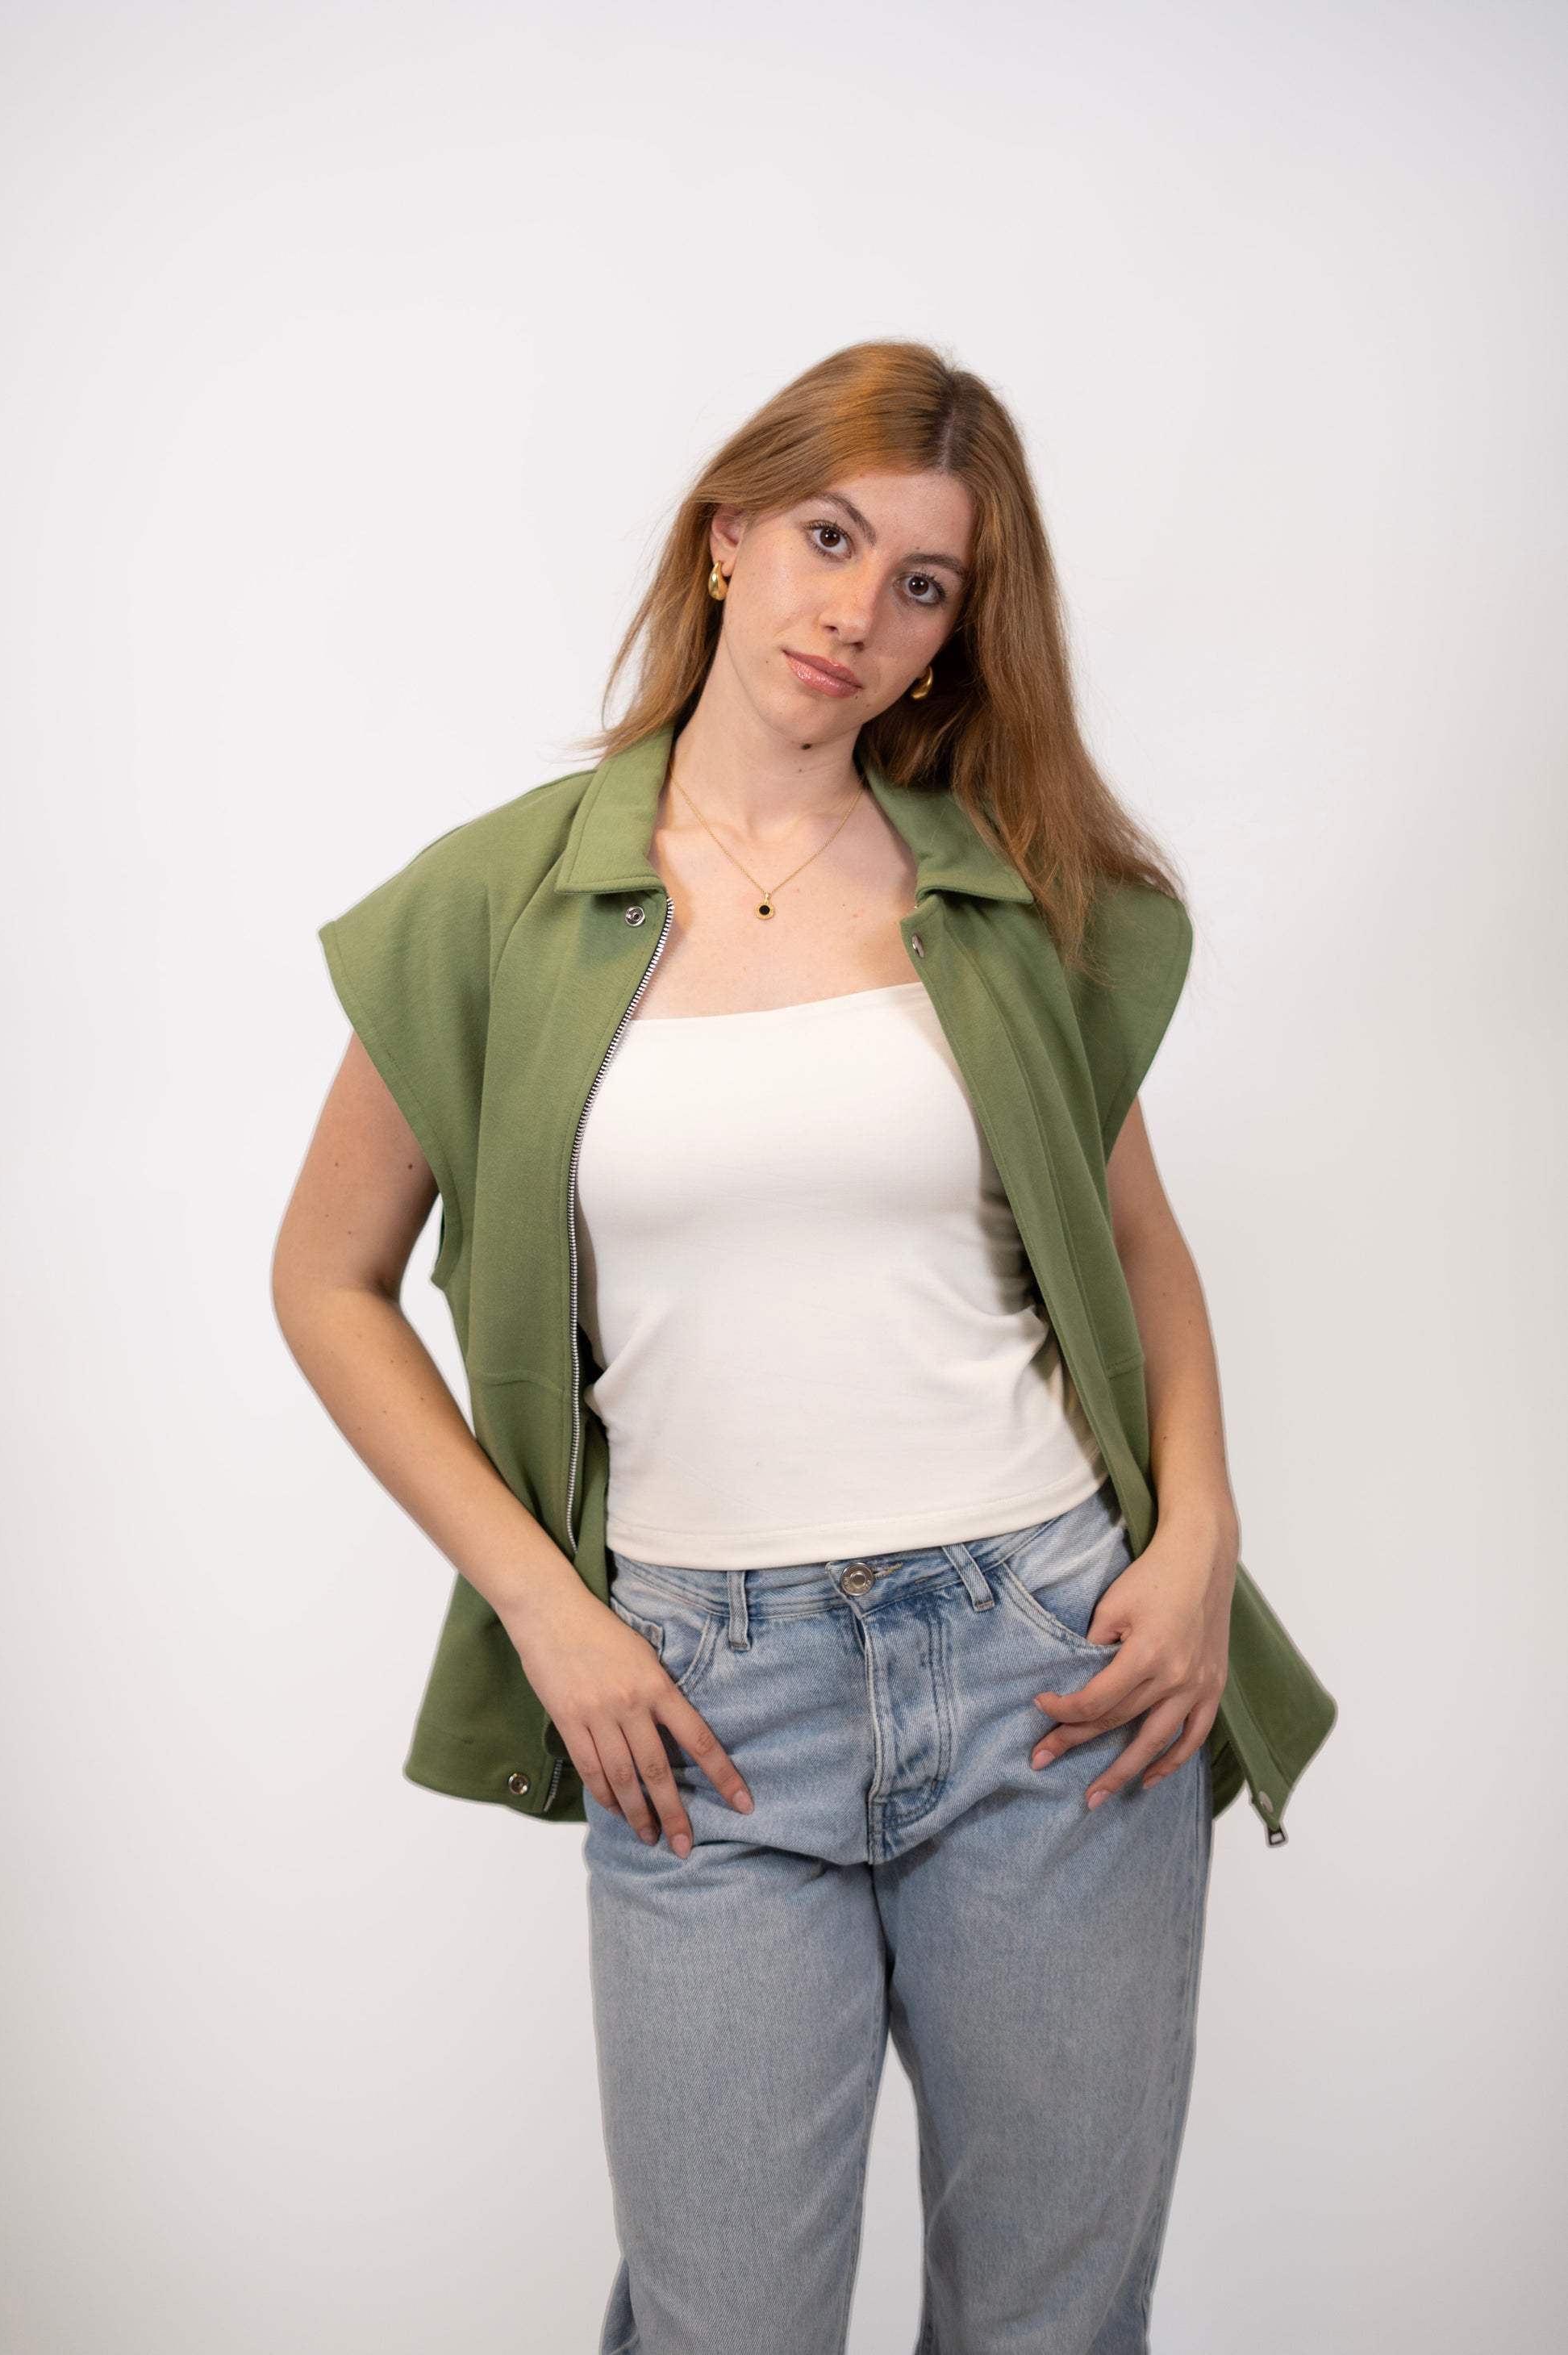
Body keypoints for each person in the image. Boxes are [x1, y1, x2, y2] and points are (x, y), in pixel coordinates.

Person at [272, 341, 1335, 2355]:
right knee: (725, 2323)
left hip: (1051, 1664)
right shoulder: (499, 900)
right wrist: (549, 1610)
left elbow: (1136, 1245)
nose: (858, 610)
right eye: (830, 539)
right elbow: (326, 1279)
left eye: (923, 582)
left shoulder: (998, 892)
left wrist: (1196, 1531)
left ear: (952, 636)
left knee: (1054, 2320)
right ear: (729, 535)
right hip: (698, 1694)